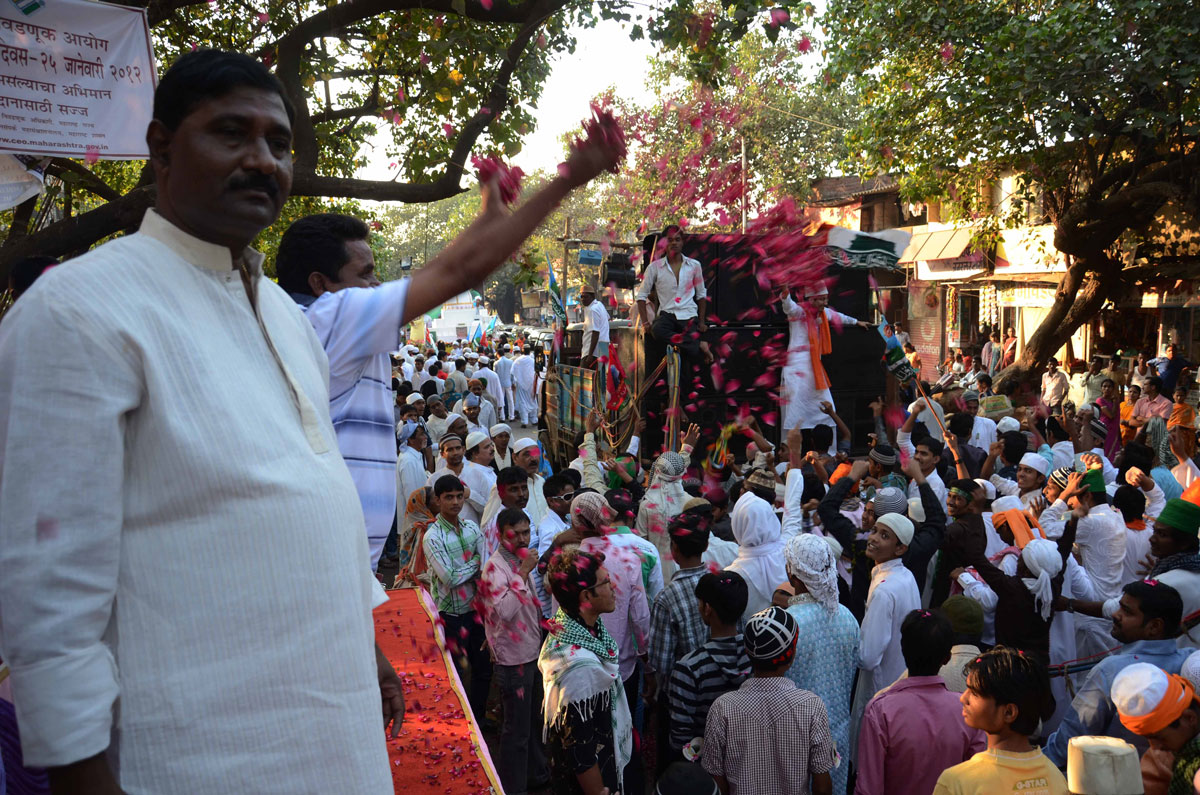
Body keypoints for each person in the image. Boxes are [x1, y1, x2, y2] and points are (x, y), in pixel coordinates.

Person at [0, 50, 410, 793]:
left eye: (279, 144)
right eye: (232, 133)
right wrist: (82, 775)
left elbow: (313, 502)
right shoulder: (78, 311)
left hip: (336, 737)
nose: (263, 162)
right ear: (161, 148)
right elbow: (48, 599)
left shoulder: (288, 319)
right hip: (194, 754)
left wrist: (367, 643)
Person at [1045, 580, 1189, 767]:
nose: (1115, 614)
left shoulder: (1111, 670)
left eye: (1127, 612)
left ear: (1154, 627)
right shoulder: (1189, 662)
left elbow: (1067, 744)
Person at [702, 606, 837, 795]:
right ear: (791, 654)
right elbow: (822, 784)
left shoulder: (723, 708)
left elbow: (716, 781)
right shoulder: (811, 706)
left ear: (748, 653)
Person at [857, 609, 986, 795]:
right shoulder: (967, 710)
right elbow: (976, 779)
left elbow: (869, 787)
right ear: (947, 658)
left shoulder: (881, 710)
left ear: (903, 650)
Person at [539, 549, 633, 795]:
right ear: (586, 596)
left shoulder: (573, 624)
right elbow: (580, 748)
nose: (613, 587)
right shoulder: (578, 669)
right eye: (605, 582)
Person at [782, 533, 860, 795]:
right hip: (835, 730)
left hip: (794, 734)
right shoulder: (846, 617)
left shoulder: (786, 624)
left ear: (793, 575)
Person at [478, 507, 549, 795]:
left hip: (529, 652)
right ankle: (512, 787)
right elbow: (506, 610)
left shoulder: (517, 562)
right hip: (513, 661)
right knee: (515, 731)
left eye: (526, 532)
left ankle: (535, 776)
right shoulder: (497, 567)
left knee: (530, 723)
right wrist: (521, 574)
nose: (522, 539)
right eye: (515, 533)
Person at [932, 647, 1066, 795]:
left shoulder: (957, 783)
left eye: (974, 693)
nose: (963, 698)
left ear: (1009, 712)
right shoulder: (1055, 777)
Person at [423, 474, 491, 721]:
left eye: (459, 496)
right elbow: (449, 579)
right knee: (458, 673)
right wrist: (474, 563)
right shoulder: (433, 537)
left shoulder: (473, 528)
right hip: (450, 615)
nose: (455, 502)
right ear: (437, 500)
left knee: (483, 669)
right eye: (448, 497)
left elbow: (484, 565)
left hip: (475, 612)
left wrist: (471, 568)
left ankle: (479, 718)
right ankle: (461, 721)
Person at [667, 571, 751, 765]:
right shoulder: (756, 657)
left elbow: (681, 739)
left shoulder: (689, 668)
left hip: (708, 769)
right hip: (750, 762)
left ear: (707, 608)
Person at [779, 282, 871, 449]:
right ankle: (787, 454)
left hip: (815, 372)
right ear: (812, 300)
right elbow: (788, 306)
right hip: (797, 371)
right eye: (821, 300)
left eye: (825, 299)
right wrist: (785, 293)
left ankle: (831, 452)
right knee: (794, 414)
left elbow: (840, 317)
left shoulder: (824, 314)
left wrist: (857, 322)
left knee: (828, 410)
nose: (824, 303)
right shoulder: (799, 312)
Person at [648, 512, 711, 717]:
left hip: (680, 696)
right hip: (718, 687)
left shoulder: (666, 599)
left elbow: (661, 663)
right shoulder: (719, 583)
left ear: (674, 549)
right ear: (706, 545)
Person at [637, 224, 711, 370]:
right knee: (657, 331)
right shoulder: (654, 267)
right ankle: (697, 344)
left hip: (688, 315)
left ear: (682, 242)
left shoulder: (694, 265)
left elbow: (702, 295)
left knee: (687, 364)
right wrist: (645, 323)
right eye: (670, 240)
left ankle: (693, 346)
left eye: (677, 239)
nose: (674, 243)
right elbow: (641, 296)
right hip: (667, 316)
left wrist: (701, 322)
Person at [726, 469, 788, 621]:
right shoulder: (787, 553)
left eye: (745, 491)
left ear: (738, 522)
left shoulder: (732, 575)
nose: (742, 493)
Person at [580, 282, 610, 370]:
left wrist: (590, 355)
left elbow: (596, 332)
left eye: (586, 297)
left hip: (592, 352)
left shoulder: (592, 310)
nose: (583, 299)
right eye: (581, 297)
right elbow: (607, 318)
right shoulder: (599, 305)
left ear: (592, 297)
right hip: (603, 349)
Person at [512, 349, 538, 427]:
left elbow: (513, 372)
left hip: (521, 384)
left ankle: (524, 421)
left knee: (522, 401)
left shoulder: (517, 361)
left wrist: (514, 382)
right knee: (532, 400)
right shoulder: (532, 360)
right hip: (531, 384)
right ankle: (534, 420)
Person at [495, 345, 516, 422]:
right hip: (508, 383)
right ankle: (511, 416)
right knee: (510, 400)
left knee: (501, 400)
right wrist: (513, 382)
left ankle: (502, 417)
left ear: (498, 354)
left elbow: (495, 375)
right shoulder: (510, 361)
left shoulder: (496, 363)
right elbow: (512, 374)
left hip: (500, 384)